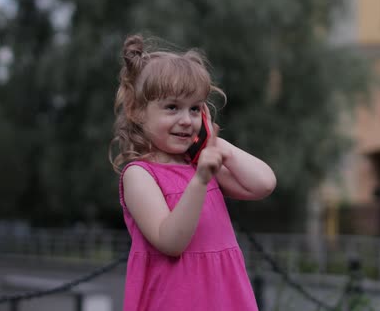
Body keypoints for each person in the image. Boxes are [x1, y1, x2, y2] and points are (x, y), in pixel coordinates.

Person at [110, 34, 277, 311]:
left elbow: (264, 184)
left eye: (195, 108)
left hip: (225, 300)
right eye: (172, 107)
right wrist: (200, 180)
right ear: (137, 111)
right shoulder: (139, 175)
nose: (186, 120)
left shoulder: (197, 162)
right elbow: (171, 241)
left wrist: (217, 144)